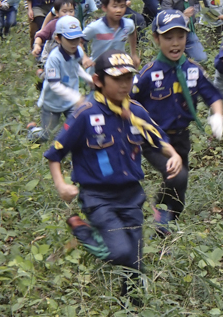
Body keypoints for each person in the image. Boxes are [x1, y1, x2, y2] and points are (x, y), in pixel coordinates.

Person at [44, 49, 182, 303]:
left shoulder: (135, 111)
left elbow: (157, 137)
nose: (124, 85)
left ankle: (131, 305)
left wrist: (173, 154)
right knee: (120, 252)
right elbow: (55, 153)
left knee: (136, 260)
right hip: (99, 198)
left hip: (132, 195)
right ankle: (85, 233)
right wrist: (61, 184)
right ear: (98, 81)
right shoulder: (85, 113)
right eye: (117, 79)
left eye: (128, 78)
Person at [130, 10, 223, 235]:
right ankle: (159, 210)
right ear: (156, 39)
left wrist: (217, 114)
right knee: (176, 175)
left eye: (180, 37)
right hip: (154, 139)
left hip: (181, 136)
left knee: (180, 187)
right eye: (168, 37)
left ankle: (168, 222)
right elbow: (129, 101)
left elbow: (213, 95)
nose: (175, 43)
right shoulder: (149, 74)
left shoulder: (192, 70)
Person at [36, 16, 93, 141]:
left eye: (77, 38)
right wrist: (76, 97)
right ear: (58, 38)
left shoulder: (77, 50)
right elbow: (54, 85)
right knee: (46, 136)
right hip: (53, 103)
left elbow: (75, 67)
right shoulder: (54, 58)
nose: (74, 43)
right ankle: (33, 131)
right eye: (69, 39)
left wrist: (89, 79)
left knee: (78, 127)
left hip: (70, 102)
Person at [82, 0, 139, 71]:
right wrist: (84, 57)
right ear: (104, 7)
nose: (119, 10)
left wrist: (133, 54)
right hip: (97, 70)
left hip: (119, 69)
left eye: (122, 6)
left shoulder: (128, 24)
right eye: (115, 6)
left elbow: (132, 32)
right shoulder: (95, 27)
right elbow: (78, 41)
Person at [32, 0, 76, 64]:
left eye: (71, 11)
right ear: (57, 12)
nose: (68, 14)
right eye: (64, 11)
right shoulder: (53, 24)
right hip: (50, 58)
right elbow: (40, 36)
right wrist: (37, 45)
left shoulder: (75, 25)